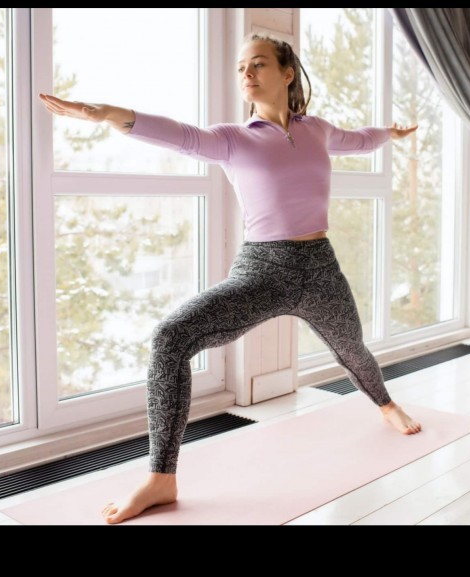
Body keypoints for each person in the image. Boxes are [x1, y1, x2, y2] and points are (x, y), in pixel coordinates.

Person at [39, 33, 421, 525]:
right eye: (241, 66)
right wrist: (109, 114)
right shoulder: (233, 139)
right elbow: (179, 134)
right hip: (263, 270)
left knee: (353, 348)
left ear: (287, 73)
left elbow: (359, 139)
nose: (246, 73)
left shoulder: (318, 130)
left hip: (320, 266)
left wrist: (390, 134)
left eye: (258, 64)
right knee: (171, 338)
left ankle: (386, 404)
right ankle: (161, 478)